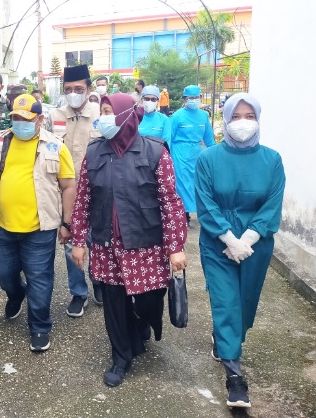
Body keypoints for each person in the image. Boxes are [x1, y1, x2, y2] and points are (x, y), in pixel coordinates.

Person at [70, 92, 187, 388]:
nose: (104, 117)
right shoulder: (94, 153)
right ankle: (121, 356)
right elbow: (83, 200)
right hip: (107, 244)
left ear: (126, 115)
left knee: (149, 301)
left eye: (109, 111)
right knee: (114, 303)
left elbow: (170, 202)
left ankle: (142, 322)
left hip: (146, 244)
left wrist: (175, 247)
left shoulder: (155, 152)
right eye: (102, 111)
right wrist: (79, 241)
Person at [195, 93, 285, 409]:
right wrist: (229, 239)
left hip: (256, 244)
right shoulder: (208, 159)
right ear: (225, 119)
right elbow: (205, 202)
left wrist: (248, 238)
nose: (242, 123)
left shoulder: (272, 160)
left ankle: (226, 338)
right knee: (226, 302)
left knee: (245, 304)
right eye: (235, 116)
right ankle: (234, 378)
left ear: (258, 120)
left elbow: (273, 202)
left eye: (249, 116)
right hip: (217, 242)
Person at [0, 94, 76, 352]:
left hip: (40, 229)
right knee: (3, 272)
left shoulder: (55, 146)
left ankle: (40, 326)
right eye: (16, 117)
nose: (20, 122)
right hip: (3, 226)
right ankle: (17, 294)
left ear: (40, 119)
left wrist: (67, 223)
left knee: (39, 279)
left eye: (26, 118)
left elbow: (68, 186)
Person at [50, 64, 102, 316]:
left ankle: (99, 282)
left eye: (79, 89)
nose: (73, 93)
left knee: (99, 241)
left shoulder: (101, 115)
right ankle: (78, 293)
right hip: (66, 192)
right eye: (69, 89)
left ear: (88, 89)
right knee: (71, 243)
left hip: (98, 191)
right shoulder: (54, 116)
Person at [170, 85, 215, 227]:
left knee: (197, 183)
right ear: (185, 99)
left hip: (197, 152)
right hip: (180, 153)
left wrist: (215, 155)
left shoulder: (203, 116)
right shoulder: (177, 116)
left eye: (196, 97)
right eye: (191, 98)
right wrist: (167, 157)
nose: (194, 100)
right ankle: (184, 215)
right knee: (182, 184)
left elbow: (209, 138)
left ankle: (200, 212)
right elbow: (169, 137)